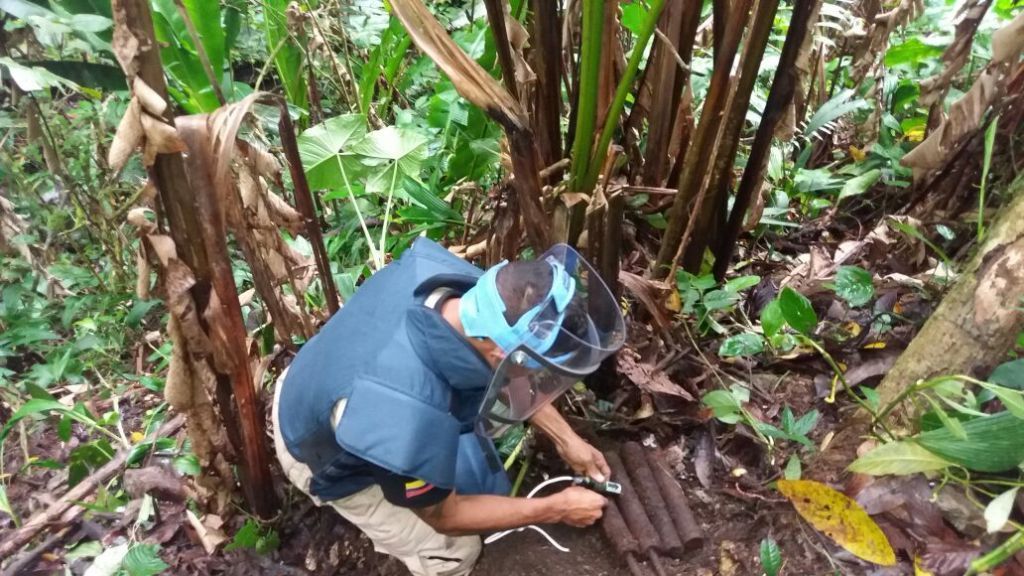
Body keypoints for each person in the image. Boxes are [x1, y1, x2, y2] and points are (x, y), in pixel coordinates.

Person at [272, 237, 626, 575]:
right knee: (456, 551)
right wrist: (555, 508)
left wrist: (566, 439)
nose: (533, 377)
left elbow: (510, 372)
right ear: (501, 353)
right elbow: (445, 517)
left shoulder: (476, 293)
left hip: (326, 368)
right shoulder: (404, 420)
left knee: (480, 459)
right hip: (313, 444)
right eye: (534, 368)